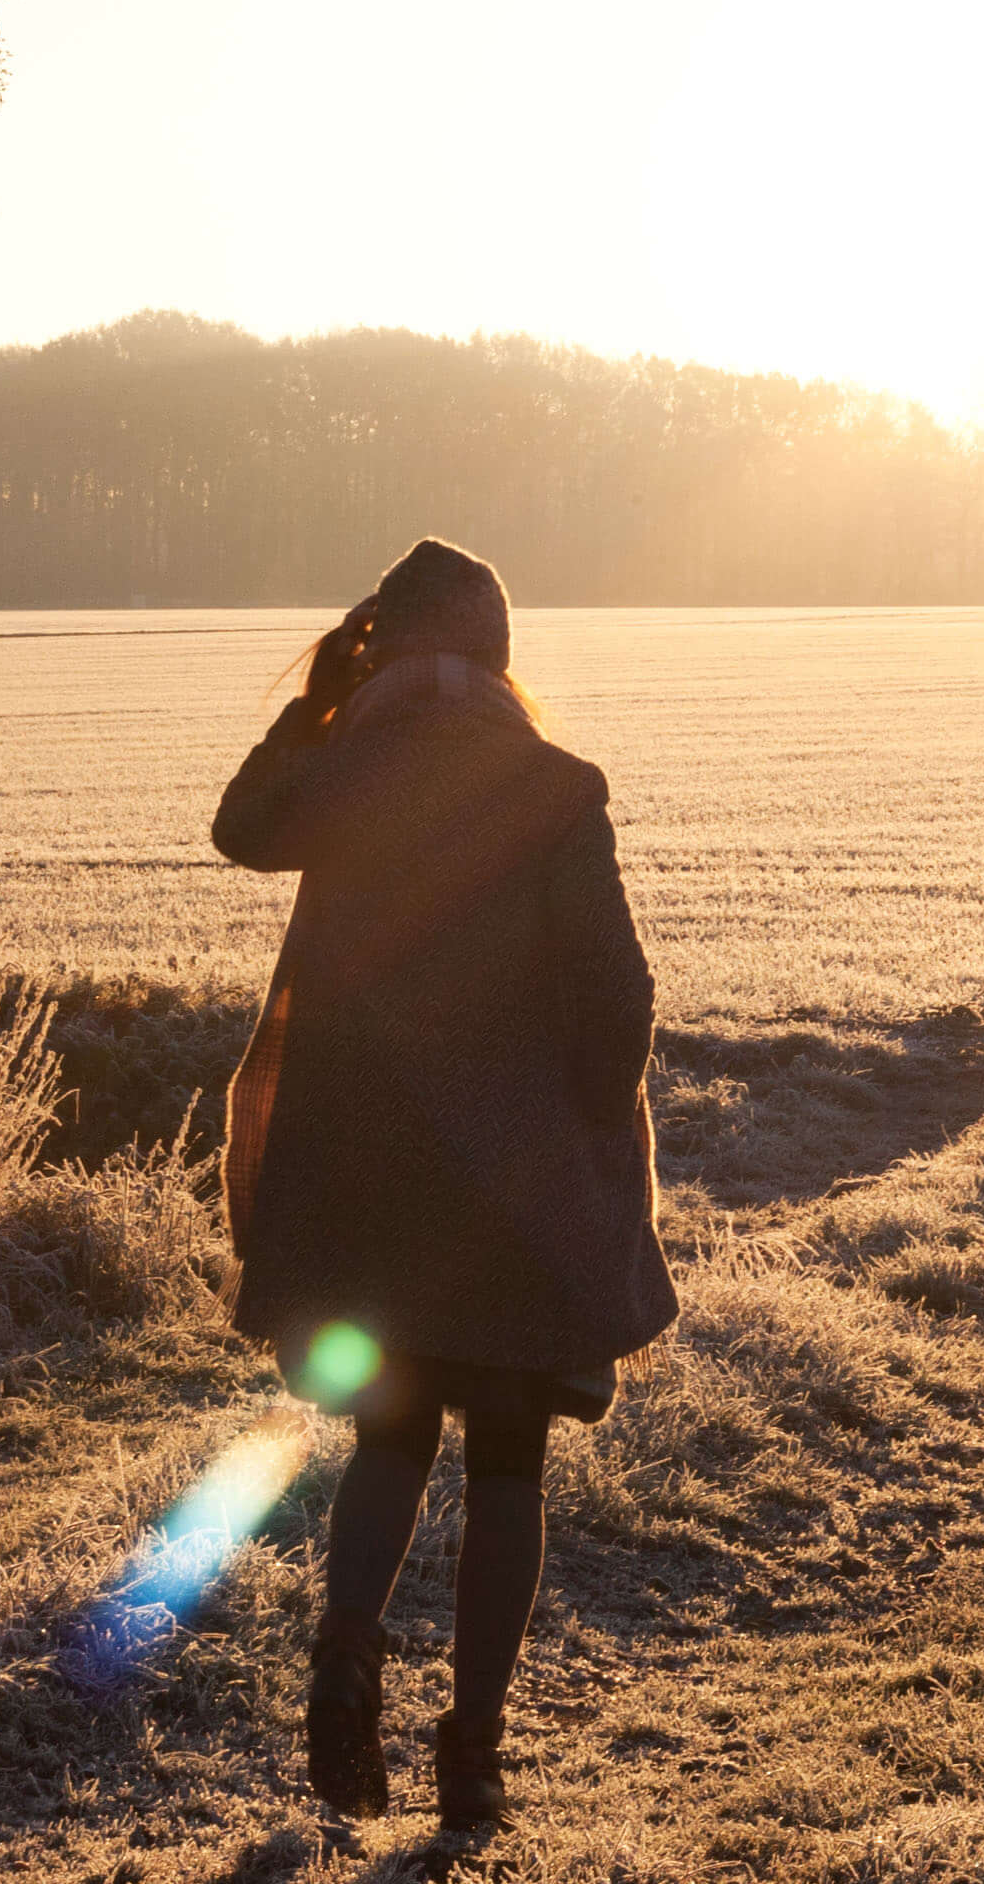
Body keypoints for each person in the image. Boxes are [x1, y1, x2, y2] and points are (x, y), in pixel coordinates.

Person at [210, 538, 676, 1830]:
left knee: (393, 1429)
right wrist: (585, 1124)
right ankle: (474, 1748)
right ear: (500, 657)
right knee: (510, 1457)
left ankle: (347, 1655)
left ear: (388, 647)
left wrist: (328, 696)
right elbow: (619, 991)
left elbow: (239, 829)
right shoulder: (552, 786)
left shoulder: (345, 776)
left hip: (364, 1178)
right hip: (516, 1180)